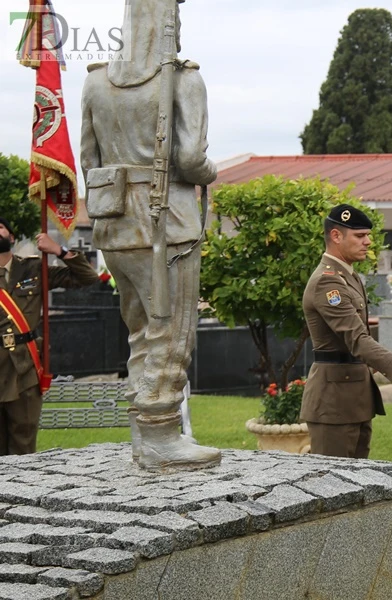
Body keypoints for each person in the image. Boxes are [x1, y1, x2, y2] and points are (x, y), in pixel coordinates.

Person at [81, 0, 222, 469]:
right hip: (170, 223)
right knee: (172, 330)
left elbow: (89, 159)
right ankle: (161, 432)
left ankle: (143, 433)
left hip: (114, 223)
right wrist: (212, 172)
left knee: (141, 332)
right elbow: (190, 160)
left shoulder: (95, 81)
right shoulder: (184, 79)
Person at [301, 204, 392, 458]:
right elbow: (357, 339)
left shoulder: (349, 276)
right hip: (333, 402)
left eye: (368, 235)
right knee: (333, 486)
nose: (368, 241)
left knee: (357, 486)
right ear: (336, 236)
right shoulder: (328, 280)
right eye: (359, 235)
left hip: (354, 397)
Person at [0, 218, 99, 454]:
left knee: (23, 441)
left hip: (23, 368)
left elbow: (87, 278)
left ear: (12, 237)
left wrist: (58, 250)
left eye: (0, 226)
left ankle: (21, 490)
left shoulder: (34, 268)